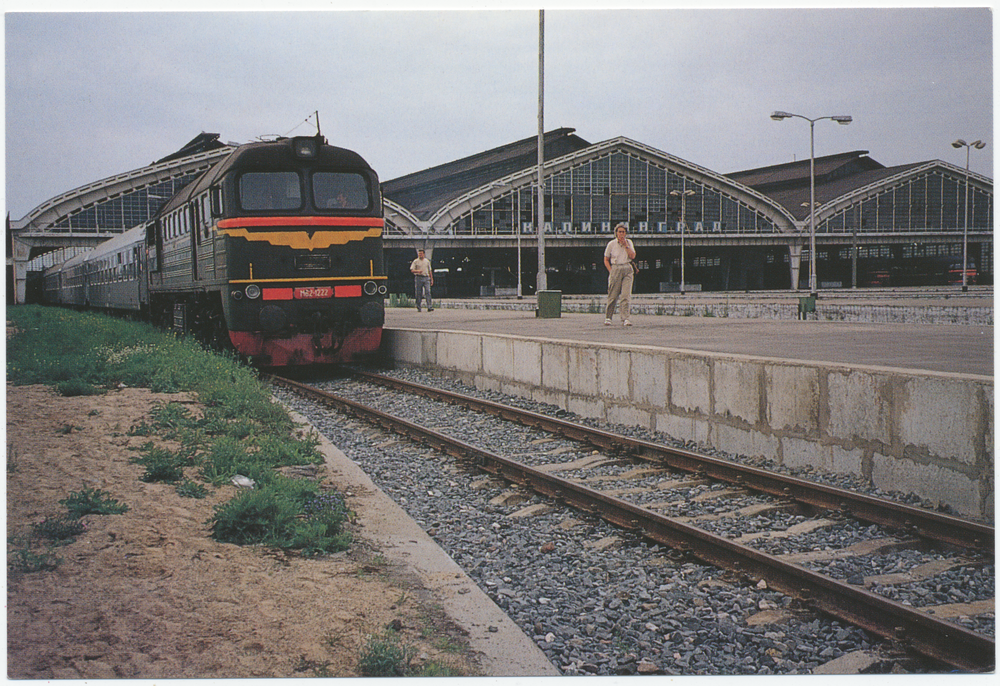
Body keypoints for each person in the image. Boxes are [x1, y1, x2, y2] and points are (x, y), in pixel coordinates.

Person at [603, 223, 636, 326]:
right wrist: (611, 270)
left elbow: (633, 256)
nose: (621, 234)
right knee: (613, 294)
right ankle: (608, 317)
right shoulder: (611, 244)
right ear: (616, 233)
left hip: (627, 267)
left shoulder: (629, 243)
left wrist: (626, 245)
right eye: (619, 232)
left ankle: (625, 318)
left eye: (623, 232)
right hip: (616, 268)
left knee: (625, 295)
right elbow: (606, 259)